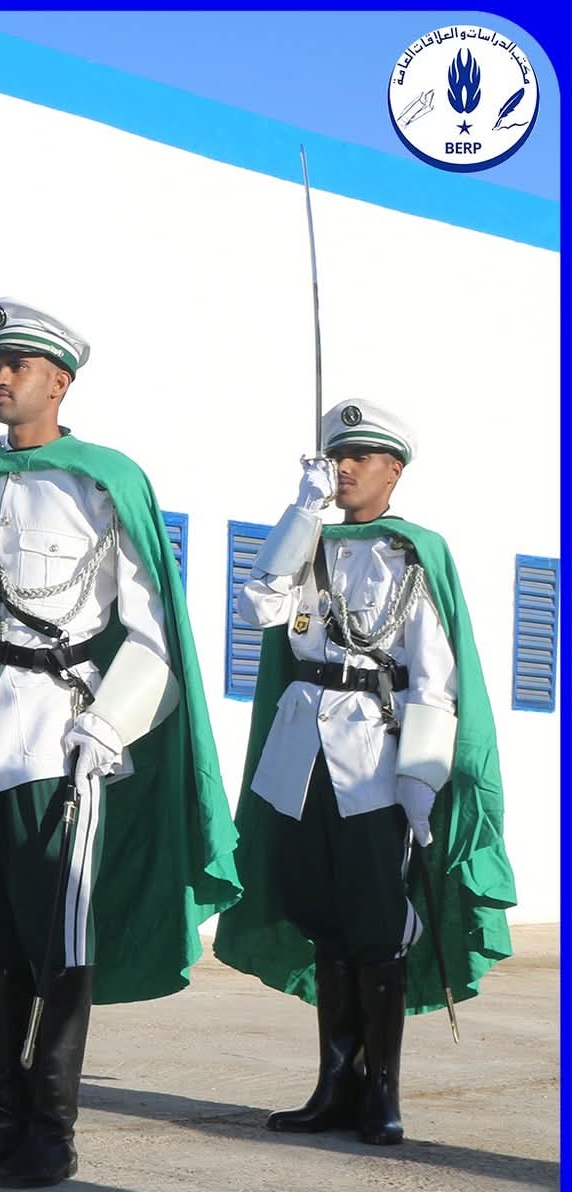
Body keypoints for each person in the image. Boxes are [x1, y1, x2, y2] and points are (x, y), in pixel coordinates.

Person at [0, 299, 238, 1188]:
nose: (1, 378)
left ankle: (52, 1125)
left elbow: (153, 634)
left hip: (56, 734)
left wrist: (108, 724)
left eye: (19, 366)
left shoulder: (102, 482)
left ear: (60, 382)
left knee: (60, 939)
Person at [215, 400, 514, 1145]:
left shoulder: (413, 553)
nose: (344, 468)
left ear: (394, 471)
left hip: (376, 763)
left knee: (376, 927)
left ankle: (381, 1091)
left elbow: (436, 681)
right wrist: (302, 510)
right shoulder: (306, 538)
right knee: (323, 918)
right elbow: (258, 606)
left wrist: (420, 782)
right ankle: (333, 1085)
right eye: (336, 457)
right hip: (301, 761)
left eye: (360, 458)